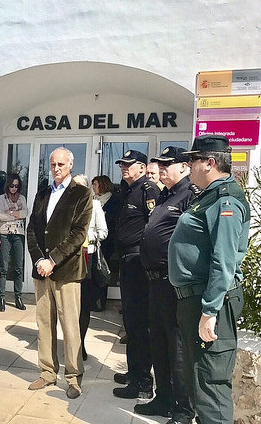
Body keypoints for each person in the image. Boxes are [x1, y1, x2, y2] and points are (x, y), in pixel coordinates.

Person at [169, 135, 249, 424]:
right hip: (196, 298)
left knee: (211, 385)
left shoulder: (225, 200)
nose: (188, 165)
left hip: (211, 300)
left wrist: (209, 311)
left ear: (210, 163)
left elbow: (224, 260)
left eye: (193, 160)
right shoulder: (208, 196)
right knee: (200, 382)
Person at [136, 147, 200, 423]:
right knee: (159, 343)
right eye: (159, 164)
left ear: (184, 167)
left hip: (173, 283)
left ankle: (183, 409)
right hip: (155, 283)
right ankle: (163, 398)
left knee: (177, 348)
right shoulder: (165, 194)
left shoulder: (190, 195)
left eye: (167, 164)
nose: (161, 169)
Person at [26, 147, 92, 400]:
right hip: (42, 271)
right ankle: (47, 371)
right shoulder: (42, 193)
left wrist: (52, 260)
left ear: (70, 165)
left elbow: (78, 233)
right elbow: (32, 229)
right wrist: (39, 260)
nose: (56, 168)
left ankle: (73, 377)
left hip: (66, 271)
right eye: (53, 164)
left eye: (61, 164)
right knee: (44, 324)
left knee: (70, 326)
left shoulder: (82, 194)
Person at [113, 150, 160, 399]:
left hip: (138, 262)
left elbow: (154, 227)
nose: (124, 167)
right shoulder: (128, 190)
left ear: (142, 168)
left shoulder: (147, 190)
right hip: (127, 261)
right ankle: (134, 372)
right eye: (122, 164)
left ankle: (142, 381)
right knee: (130, 322)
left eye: (128, 164)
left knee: (140, 323)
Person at [73, 174, 108, 362]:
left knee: (84, 304)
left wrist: (87, 236)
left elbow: (104, 232)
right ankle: (71, 343)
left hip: (88, 256)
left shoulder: (94, 205)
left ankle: (81, 343)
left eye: (80, 186)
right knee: (70, 304)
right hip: (69, 258)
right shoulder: (67, 204)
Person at [0, 172, 28, 311]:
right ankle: (1, 297)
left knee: (18, 267)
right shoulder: (1, 198)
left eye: (16, 186)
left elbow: (25, 213)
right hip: (4, 234)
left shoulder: (21, 198)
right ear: (7, 185)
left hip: (18, 234)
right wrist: (15, 215)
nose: (14, 188)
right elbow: (0, 216)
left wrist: (10, 213)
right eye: (11, 186)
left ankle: (18, 297)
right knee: (3, 267)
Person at [91, 175, 120, 311]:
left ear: (102, 185)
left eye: (95, 185)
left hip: (107, 242)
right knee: (92, 272)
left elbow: (113, 220)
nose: (93, 187)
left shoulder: (113, 201)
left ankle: (100, 303)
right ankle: (92, 300)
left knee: (102, 270)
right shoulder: (92, 200)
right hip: (93, 242)